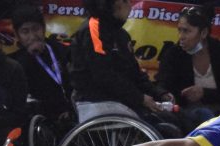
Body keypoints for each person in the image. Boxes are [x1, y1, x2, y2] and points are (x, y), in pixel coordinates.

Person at [70, 0, 180, 136]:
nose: (130, 6)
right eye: (126, 1)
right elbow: (103, 75)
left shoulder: (121, 34)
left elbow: (135, 73)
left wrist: (159, 93)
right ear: (114, 4)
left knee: (178, 119)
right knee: (168, 129)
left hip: (122, 100)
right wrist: (140, 98)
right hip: (97, 100)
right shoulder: (93, 30)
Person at [155, 4, 220, 132]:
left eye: (187, 31)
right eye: (179, 30)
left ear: (204, 33)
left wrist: (204, 93)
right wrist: (165, 94)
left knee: (205, 114)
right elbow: (162, 84)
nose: (181, 37)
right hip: (184, 116)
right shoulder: (173, 54)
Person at [9, 4, 73, 124]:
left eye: (36, 29)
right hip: (42, 120)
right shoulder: (16, 63)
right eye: (25, 32)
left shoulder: (61, 50)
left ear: (44, 29)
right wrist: (29, 57)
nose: (32, 36)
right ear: (17, 35)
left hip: (72, 112)